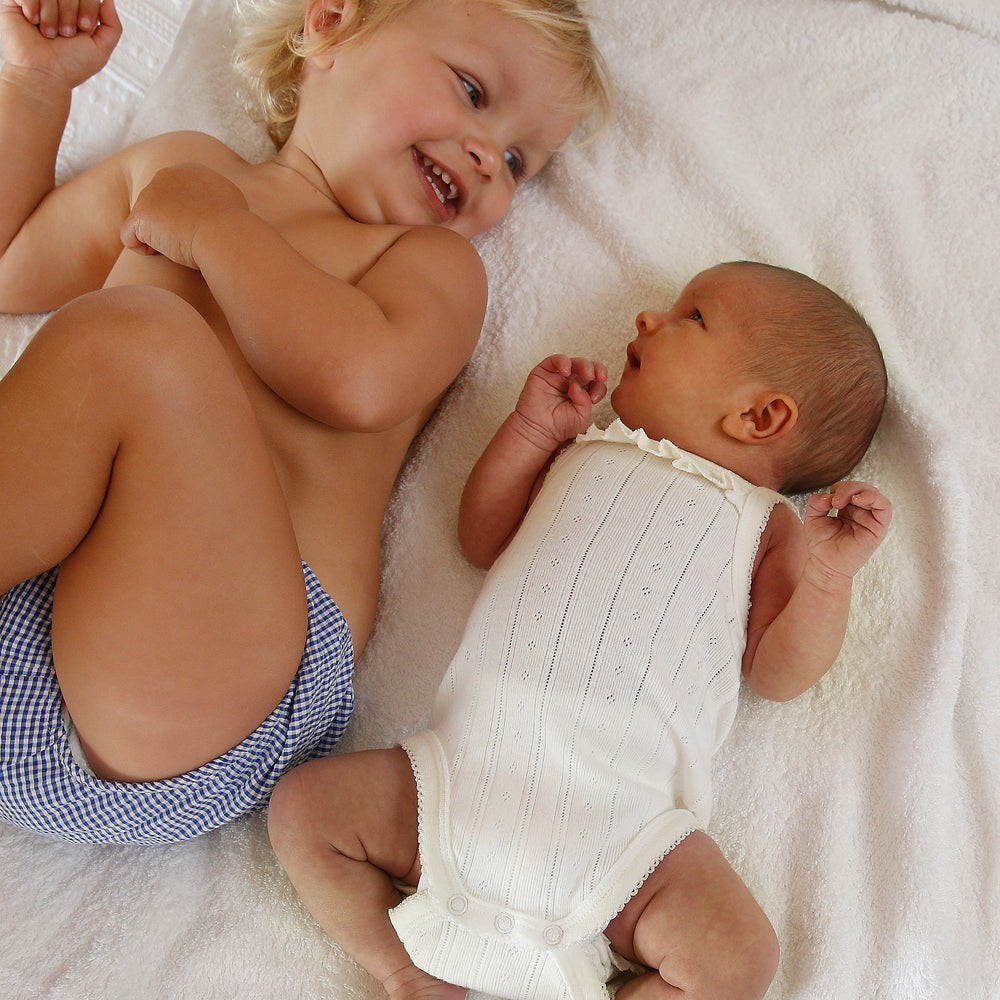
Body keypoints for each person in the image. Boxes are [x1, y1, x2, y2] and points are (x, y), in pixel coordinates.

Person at [0, 0, 612, 844]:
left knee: (136, 341)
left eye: (518, 161)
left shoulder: (427, 267)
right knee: (116, 344)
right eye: (473, 91)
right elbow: (8, 266)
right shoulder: (178, 168)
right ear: (329, 26)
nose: (487, 159)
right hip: (41, 605)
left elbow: (356, 382)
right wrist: (34, 87)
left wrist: (219, 232)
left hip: (212, 677)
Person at [266, 261, 893, 1000]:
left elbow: (778, 673)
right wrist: (531, 431)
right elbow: (481, 536)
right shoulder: (584, 448)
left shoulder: (765, 528)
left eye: (691, 317)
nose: (647, 320)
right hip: (459, 775)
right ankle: (408, 973)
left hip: (625, 833)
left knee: (741, 960)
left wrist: (827, 577)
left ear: (759, 417)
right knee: (304, 809)